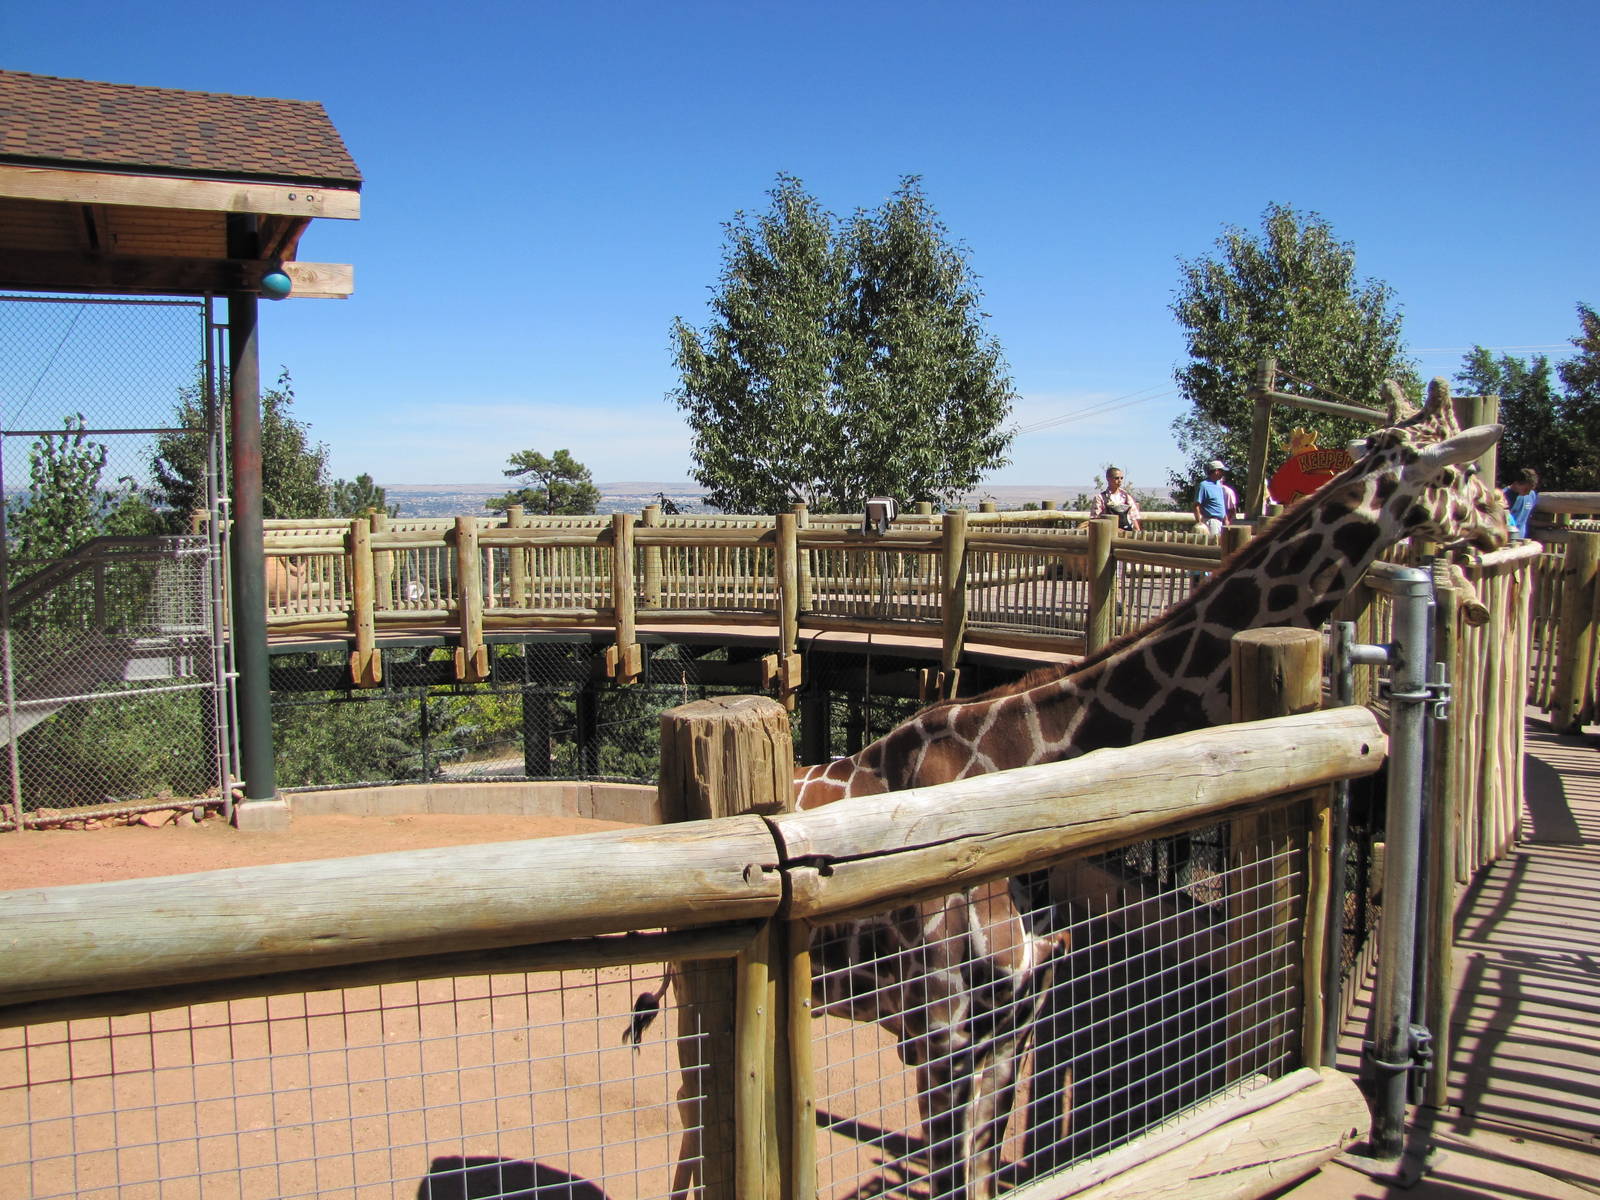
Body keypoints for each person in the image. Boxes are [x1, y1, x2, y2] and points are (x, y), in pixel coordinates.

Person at [1088, 467, 1143, 531]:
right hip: (1107, 532)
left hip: (1126, 532)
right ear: (1108, 479)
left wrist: (1137, 531)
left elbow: (1134, 517)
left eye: (1121, 478)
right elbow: (1095, 519)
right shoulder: (1100, 498)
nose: (1120, 480)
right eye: (1116, 478)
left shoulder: (1126, 497)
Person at [1193, 460, 1236, 537]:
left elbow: (1221, 504)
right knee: (1214, 545)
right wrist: (1199, 523)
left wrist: (1225, 519)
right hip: (1211, 521)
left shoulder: (1218, 485)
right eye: (1221, 471)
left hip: (1220, 522)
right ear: (1216, 471)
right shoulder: (1204, 485)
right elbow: (1197, 505)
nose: (1223, 474)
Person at [1502, 467, 1540, 539]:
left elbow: (1529, 519)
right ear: (1517, 483)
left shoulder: (1532, 495)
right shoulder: (1503, 496)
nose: (1528, 492)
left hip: (1521, 539)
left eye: (1530, 490)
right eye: (1526, 489)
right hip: (1507, 540)